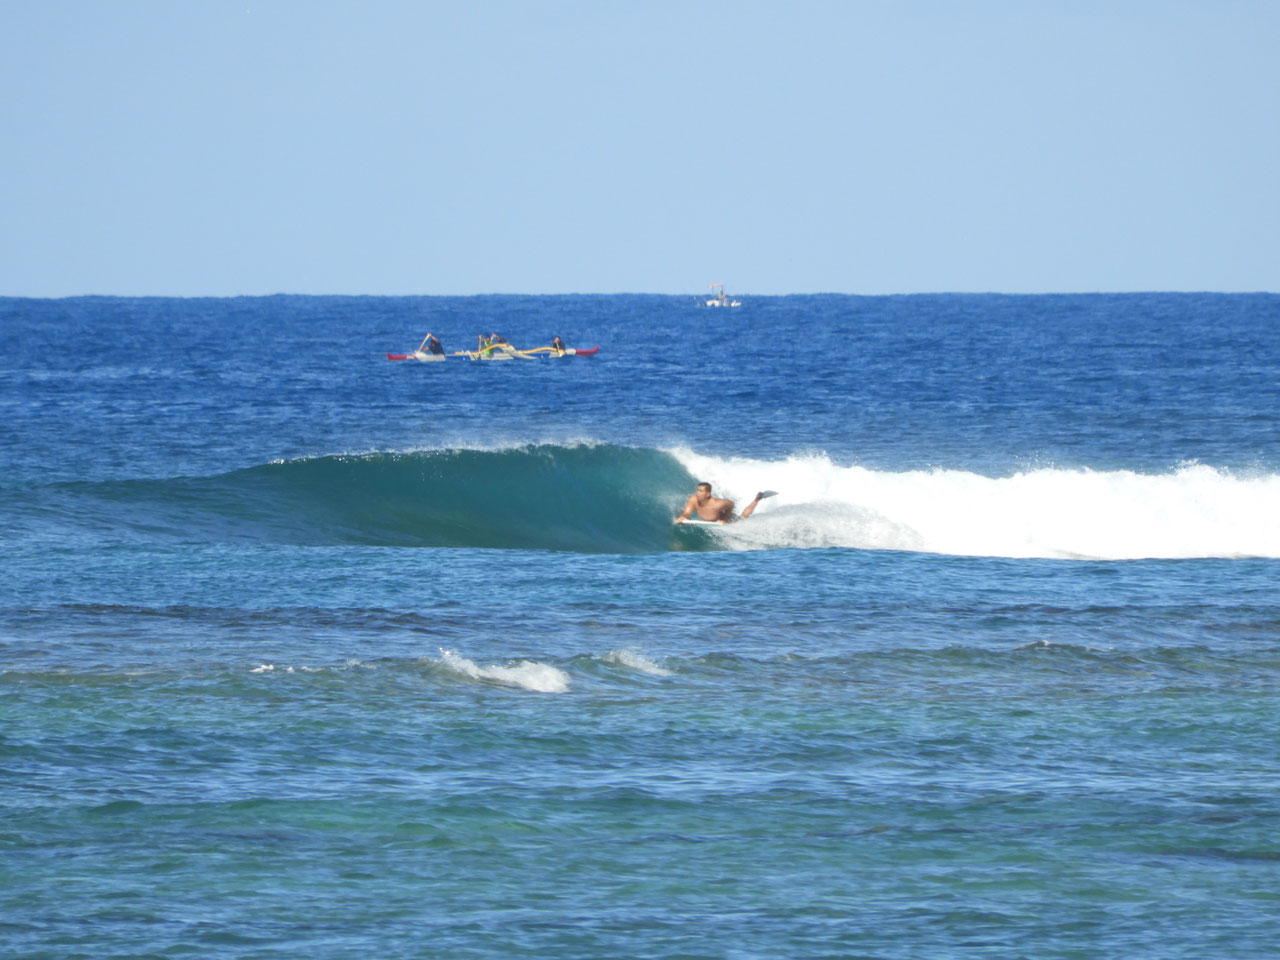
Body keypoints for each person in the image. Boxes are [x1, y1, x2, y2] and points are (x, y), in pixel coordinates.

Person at [676, 482, 768, 524]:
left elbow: (731, 504)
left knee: (742, 519)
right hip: (714, 521)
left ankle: (757, 499)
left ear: (708, 494)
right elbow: (687, 513)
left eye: (701, 491)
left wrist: (724, 519)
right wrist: (684, 517)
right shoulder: (693, 499)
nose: (697, 493)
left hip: (729, 519)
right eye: (697, 490)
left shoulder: (717, 504)